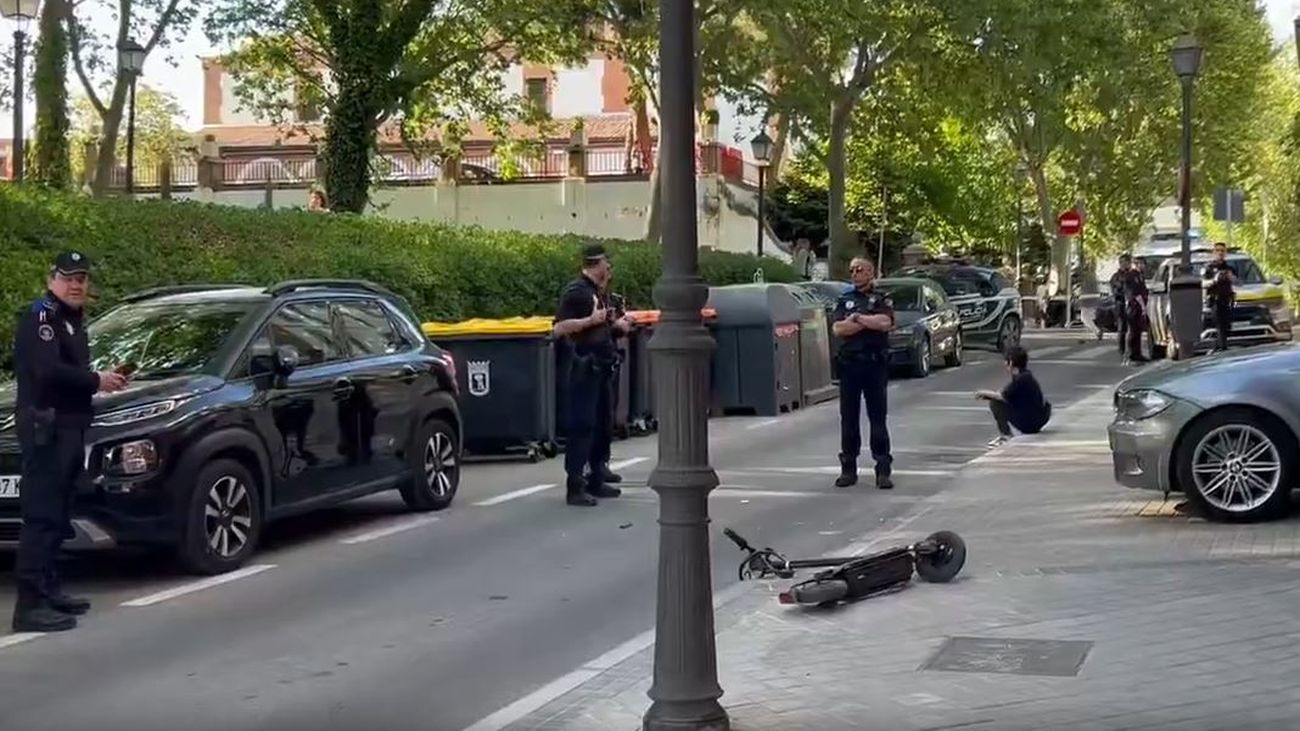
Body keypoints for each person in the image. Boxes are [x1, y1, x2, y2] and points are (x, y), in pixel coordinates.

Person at [11, 252, 129, 632]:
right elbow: (47, 372)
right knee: (42, 516)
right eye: (68, 277)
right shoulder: (42, 316)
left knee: (59, 514)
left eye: (81, 278)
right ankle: (29, 606)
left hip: (69, 427)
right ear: (51, 279)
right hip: (47, 430)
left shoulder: (71, 319)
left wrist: (95, 384)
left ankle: (48, 590)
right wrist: (97, 381)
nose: (76, 284)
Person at [552, 244, 634, 506]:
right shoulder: (576, 292)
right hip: (583, 368)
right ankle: (575, 485)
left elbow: (603, 327)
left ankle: (597, 476)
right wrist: (592, 320)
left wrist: (617, 326)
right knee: (583, 425)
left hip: (602, 365)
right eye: (606, 263)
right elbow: (560, 328)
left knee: (602, 424)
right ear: (596, 264)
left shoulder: (600, 293)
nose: (609, 268)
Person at [831, 256, 895, 490]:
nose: (855, 273)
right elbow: (839, 328)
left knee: (877, 419)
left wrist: (857, 319)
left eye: (859, 269)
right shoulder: (844, 299)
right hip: (850, 366)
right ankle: (848, 468)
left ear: (870, 272)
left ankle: (883, 469)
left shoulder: (881, 298)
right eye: (852, 270)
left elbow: (885, 322)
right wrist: (864, 321)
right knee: (848, 420)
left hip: (874, 365)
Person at [976, 346, 1052, 447]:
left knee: (995, 403)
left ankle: (1005, 435)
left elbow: (1001, 396)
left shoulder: (1021, 379)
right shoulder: (1026, 375)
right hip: (1039, 418)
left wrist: (983, 393)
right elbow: (1007, 394)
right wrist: (990, 396)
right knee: (996, 399)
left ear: (1011, 363)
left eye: (1006, 361)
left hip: (1030, 423)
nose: (1004, 364)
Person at [1203, 241, 1237, 352]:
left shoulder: (1229, 267)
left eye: (1222, 251)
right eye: (1217, 250)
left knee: (1226, 325)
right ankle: (1222, 347)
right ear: (1213, 252)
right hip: (1214, 300)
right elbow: (1202, 283)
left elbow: (1238, 282)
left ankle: (1220, 345)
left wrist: (1231, 278)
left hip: (1227, 300)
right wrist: (1214, 280)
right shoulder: (1208, 267)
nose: (1220, 253)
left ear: (1225, 253)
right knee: (1219, 325)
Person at [1110, 254, 1135, 356]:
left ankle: (1133, 350)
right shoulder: (1116, 277)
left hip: (1133, 304)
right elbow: (1115, 290)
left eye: (1127, 262)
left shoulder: (1134, 275)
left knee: (1134, 328)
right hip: (1121, 304)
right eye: (1123, 262)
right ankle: (1122, 350)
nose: (1125, 265)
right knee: (1122, 328)